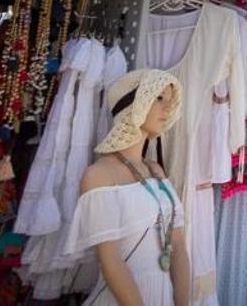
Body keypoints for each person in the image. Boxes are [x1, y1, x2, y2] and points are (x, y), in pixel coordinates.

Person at [63, 68, 190, 306]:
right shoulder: (99, 175)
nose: (167, 107)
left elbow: (179, 246)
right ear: (135, 105)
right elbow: (110, 261)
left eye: (169, 100)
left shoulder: (156, 172)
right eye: (159, 98)